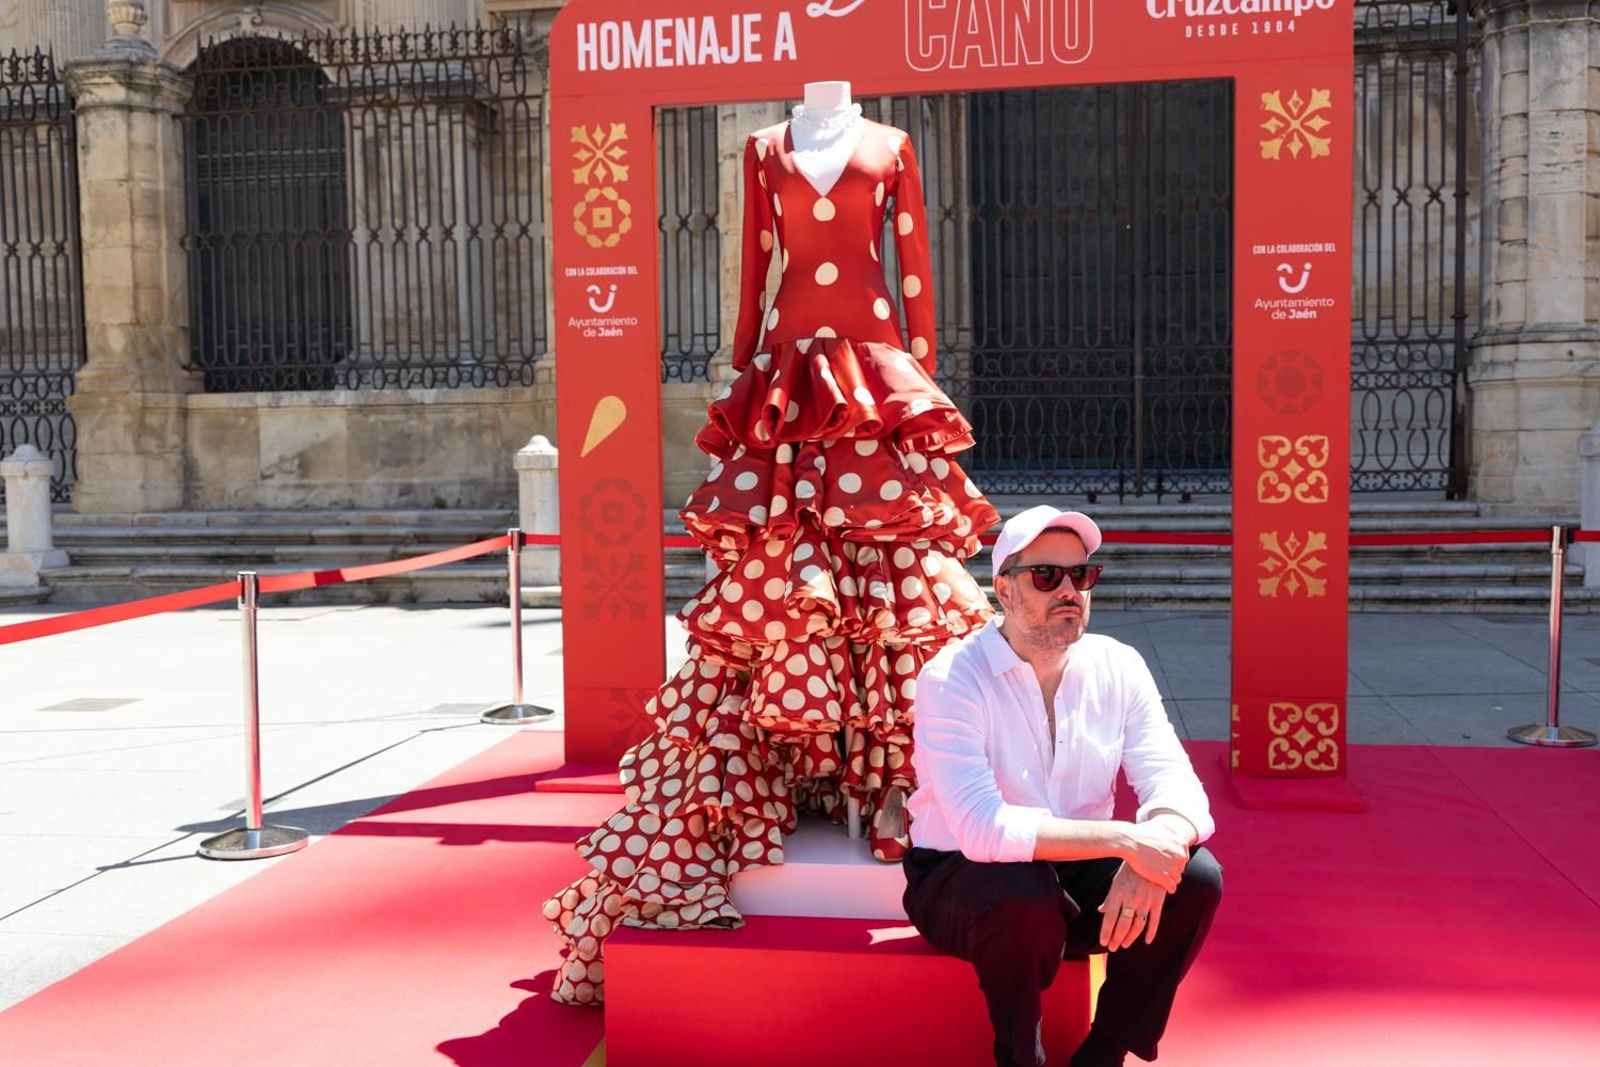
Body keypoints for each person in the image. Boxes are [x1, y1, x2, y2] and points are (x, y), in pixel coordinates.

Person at [903, 505, 1223, 1067]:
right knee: (1020, 891)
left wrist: (1159, 848)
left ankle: (1104, 1052)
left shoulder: (1117, 665)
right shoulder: (951, 677)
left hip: (1072, 879)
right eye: (1047, 576)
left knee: (1194, 876)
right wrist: (1128, 842)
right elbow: (983, 831)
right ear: (1004, 589)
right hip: (962, 885)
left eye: (1083, 575)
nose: (1070, 589)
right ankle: (1020, 1056)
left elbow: (1177, 784)